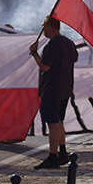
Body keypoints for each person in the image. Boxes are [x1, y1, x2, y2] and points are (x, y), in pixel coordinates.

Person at [29, 16, 78, 169]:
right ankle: (62, 153)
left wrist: (34, 53)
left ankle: (53, 156)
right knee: (58, 120)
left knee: (53, 123)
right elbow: (75, 59)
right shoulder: (68, 43)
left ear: (50, 26)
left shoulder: (52, 45)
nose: (43, 29)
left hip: (52, 88)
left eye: (44, 26)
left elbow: (45, 66)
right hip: (65, 87)